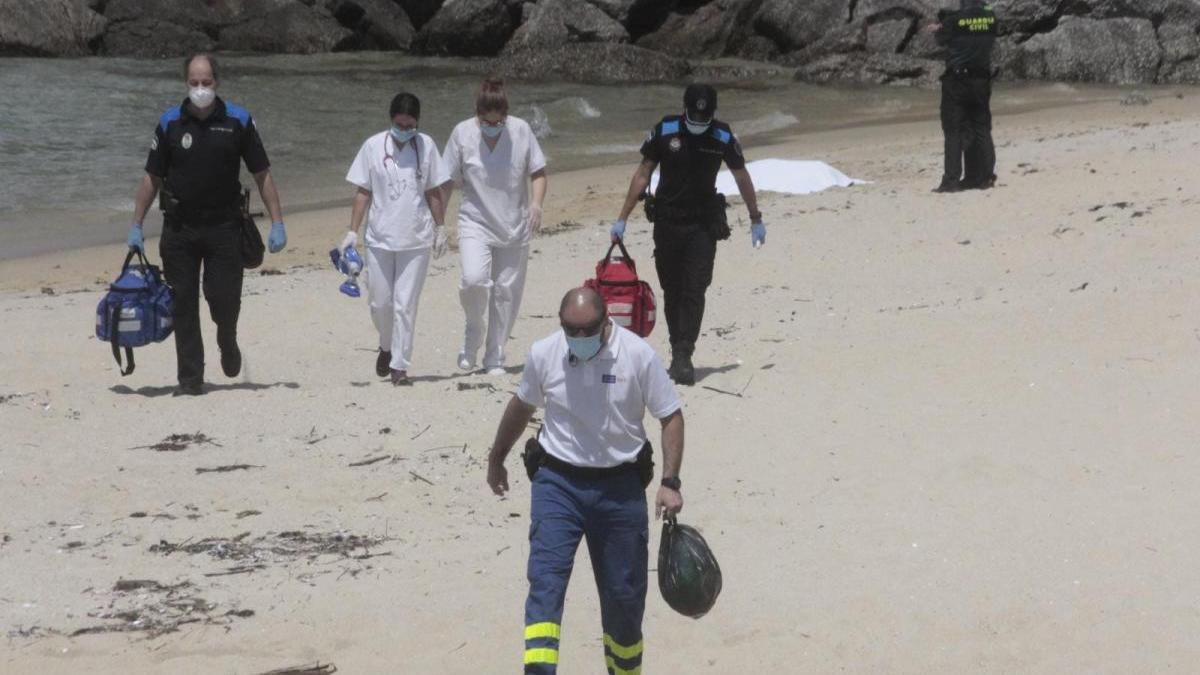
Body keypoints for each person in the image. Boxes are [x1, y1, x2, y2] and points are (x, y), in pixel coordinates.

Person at [486, 287, 685, 675]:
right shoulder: (545, 353)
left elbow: (671, 415)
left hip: (621, 490)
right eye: (570, 330)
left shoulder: (637, 355)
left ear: (606, 320)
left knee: (623, 600)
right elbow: (521, 405)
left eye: (588, 330)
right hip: (558, 485)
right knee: (545, 587)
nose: (579, 339)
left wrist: (670, 481)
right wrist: (497, 458)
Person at [126, 53, 286, 396]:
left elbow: (262, 174)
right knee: (183, 302)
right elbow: (151, 178)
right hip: (179, 229)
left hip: (224, 227)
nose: (200, 89)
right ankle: (191, 379)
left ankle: (227, 338)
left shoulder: (238, 121)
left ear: (217, 82)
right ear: (186, 83)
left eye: (206, 82)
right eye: (194, 82)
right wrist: (136, 225)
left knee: (223, 299)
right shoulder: (169, 123)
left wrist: (277, 222)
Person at [610, 83, 764, 386]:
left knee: (695, 288)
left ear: (713, 115)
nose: (698, 122)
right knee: (673, 290)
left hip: (703, 224)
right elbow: (643, 173)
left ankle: (683, 354)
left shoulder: (721, 135)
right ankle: (678, 346)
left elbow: (741, 175)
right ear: (685, 110)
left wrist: (755, 217)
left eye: (703, 118)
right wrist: (622, 218)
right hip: (667, 222)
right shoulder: (665, 130)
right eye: (694, 116)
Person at [440, 77, 547, 376]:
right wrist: (438, 222)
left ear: (506, 114)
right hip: (475, 221)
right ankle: (473, 331)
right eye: (486, 121)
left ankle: (494, 357)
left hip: (514, 224)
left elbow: (538, 171)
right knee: (474, 280)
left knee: (505, 293)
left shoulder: (521, 131)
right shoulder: (462, 133)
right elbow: (446, 180)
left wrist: (536, 204)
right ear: (477, 114)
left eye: (497, 121)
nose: (492, 125)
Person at [340, 93, 449, 386]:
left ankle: (399, 366)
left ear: (417, 122)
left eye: (410, 124)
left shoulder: (426, 147)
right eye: (399, 124)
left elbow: (434, 190)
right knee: (380, 303)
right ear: (391, 121)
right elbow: (363, 191)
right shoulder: (373, 146)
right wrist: (352, 231)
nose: (405, 129)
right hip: (379, 238)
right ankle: (385, 346)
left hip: (415, 239)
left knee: (405, 304)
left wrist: (441, 227)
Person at [928, 0, 998, 193]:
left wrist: (939, 27)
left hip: (957, 80)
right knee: (981, 128)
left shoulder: (954, 20)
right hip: (982, 80)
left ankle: (951, 180)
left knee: (953, 130)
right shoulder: (990, 16)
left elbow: (940, 39)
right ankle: (982, 177)